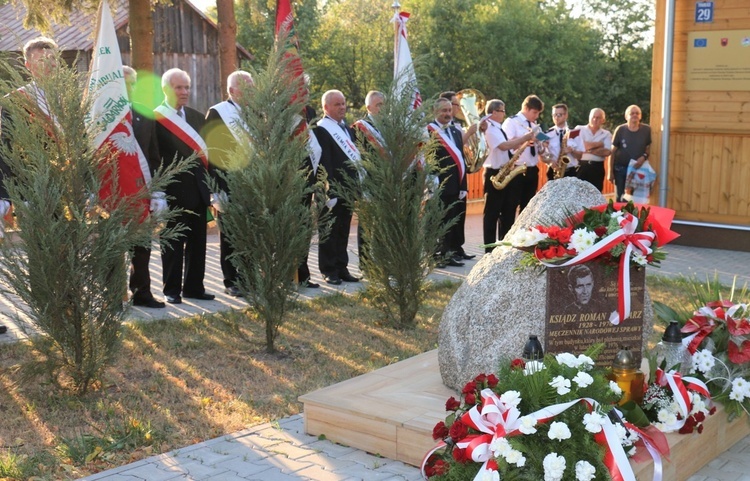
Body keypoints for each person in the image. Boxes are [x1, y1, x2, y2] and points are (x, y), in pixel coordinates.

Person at [154, 68, 214, 304]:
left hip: (198, 191)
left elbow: (208, 156)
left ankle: (194, 287)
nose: (184, 92)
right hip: (173, 192)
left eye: (187, 87)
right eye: (179, 87)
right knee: (172, 243)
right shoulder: (156, 119)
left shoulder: (198, 117)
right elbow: (155, 157)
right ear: (166, 89)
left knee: (199, 243)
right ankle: (171, 289)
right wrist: (158, 191)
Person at [203, 70, 255, 297]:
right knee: (231, 236)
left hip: (254, 184)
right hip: (228, 184)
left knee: (251, 233)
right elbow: (211, 152)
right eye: (246, 87)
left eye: (252, 87)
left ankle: (251, 277)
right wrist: (215, 190)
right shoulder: (218, 113)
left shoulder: (258, 112)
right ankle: (231, 280)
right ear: (232, 90)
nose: (251, 91)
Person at [121, 66, 166, 308]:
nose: (128, 87)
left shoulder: (145, 114)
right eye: (123, 82)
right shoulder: (104, 115)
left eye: (132, 83)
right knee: (113, 248)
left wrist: (158, 190)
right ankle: (112, 296)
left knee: (142, 247)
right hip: (114, 193)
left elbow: (153, 155)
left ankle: (141, 292)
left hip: (141, 191)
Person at [313, 90, 361, 285]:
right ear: (326, 107)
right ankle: (329, 270)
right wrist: (327, 190)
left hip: (348, 189)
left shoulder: (348, 129)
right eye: (337, 104)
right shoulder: (321, 130)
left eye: (343, 104)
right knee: (329, 231)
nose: (342, 107)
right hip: (331, 189)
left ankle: (342, 268)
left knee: (343, 230)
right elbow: (324, 163)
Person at [481, 99, 533, 251]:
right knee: (492, 212)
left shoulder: (497, 128)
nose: (504, 113)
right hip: (494, 173)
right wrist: (524, 138)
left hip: (504, 171)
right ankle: (489, 249)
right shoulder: (490, 129)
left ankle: (503, 245)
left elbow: (508, 146)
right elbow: (503, 146)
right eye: (502, 110)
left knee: (506, 210)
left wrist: (522, 144)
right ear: (494, 112)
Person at [440, 91, 484, 261]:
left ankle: (458, 247)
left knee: (459, 214)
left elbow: (462, 152)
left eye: (455, 107)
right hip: (447, 179)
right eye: (453, 106)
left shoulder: (456, 126)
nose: (455, 109)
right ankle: (446, 250)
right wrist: (470, 133)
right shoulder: (438, 128)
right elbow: (454, 147)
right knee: (448, 217)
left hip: (460, 178)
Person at [429, 97, 467, 267]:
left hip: (455, 184)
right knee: (437, 221)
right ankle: (434, 255)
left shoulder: (456, 131)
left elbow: (461, 159)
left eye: (449, 110)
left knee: (451, 220)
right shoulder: (428, 131)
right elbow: (426, 160)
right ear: (435, 111)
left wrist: (464, 185)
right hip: (437, 184)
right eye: (443, 110)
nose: (447, 114)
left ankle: (448, 253)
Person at [500, 95, 547, 228]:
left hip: (532, 168)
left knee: (528, 207)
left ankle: (523, 235)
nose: (536, 116)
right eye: (534, 112)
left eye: (538, 113)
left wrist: (541, 144)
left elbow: (542, 150)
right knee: (510, 205)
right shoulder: (512, 122)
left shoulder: (534, 126)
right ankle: (505, 236)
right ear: (526, 108)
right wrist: (524, 139)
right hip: (516, 168)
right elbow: (505, 144)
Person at [351, 90, 385, 272]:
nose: (382, 108)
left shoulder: (388, 125)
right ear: (368, 107)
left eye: (383, 104)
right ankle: (365, 263)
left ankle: (380, 258)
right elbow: (357, 155)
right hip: (369, 180)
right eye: (378, 104)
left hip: (385, 180)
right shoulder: (360, 127)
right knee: (366, 224)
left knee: (381, 223)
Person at [609, 105, 652, 201]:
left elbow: (648, 149)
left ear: (640, 116)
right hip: (620, 169)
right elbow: (612, 152)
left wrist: (644, 157)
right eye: (632, 113)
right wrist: (610, 172)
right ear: (626, 116)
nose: (635, 115)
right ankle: (619, 215)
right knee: (620, 197)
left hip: (638, 169)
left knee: (635, 198)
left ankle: (633, 216)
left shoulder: (646, 130)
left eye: (637, 113)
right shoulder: (620, 130)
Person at [576, 108, 612, 191]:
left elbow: (607, 152)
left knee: (596, 194)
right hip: (581, 166)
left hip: (597, 167)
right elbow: (581, 146)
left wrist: (588, 150)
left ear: (603, 120)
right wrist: (599, 144)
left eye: (598, 117)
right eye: (593, 117)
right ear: (589, 117)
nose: (595, 119)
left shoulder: (606, 134)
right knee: (579, 193)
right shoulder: (579, 129)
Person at [545, 104, 584, 181]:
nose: (556, 117)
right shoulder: (547, 134)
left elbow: (580, 156)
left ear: (566, 115)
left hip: (571, 171)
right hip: (554, 171)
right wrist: (549, 161)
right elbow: (542, 154)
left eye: (559, 115)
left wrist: (572, 151)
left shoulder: (575, 133)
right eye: (554, 115)